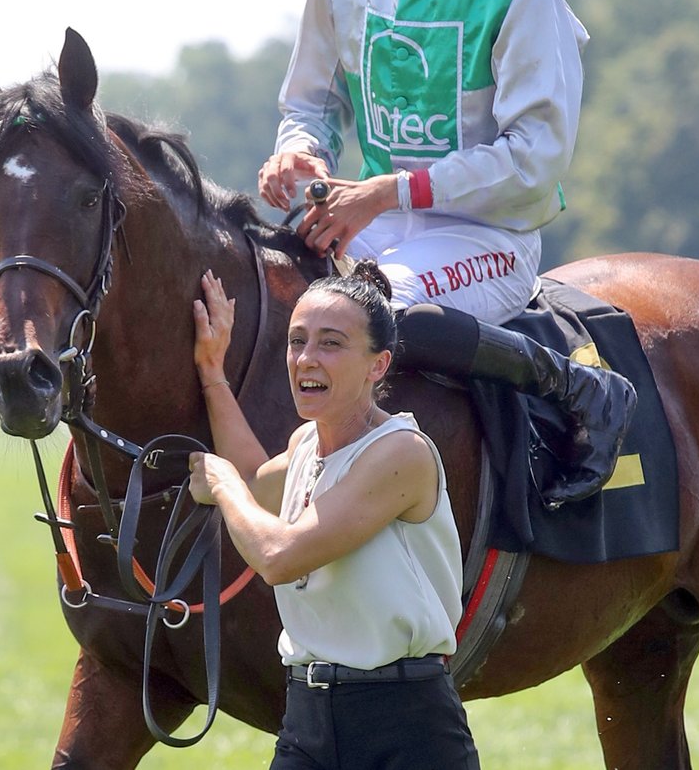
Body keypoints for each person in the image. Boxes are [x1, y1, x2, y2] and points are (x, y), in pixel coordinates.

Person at [257, 0, 635, 505]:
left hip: (485, 237)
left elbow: (537, 159)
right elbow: (307, 102)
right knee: (265, 293)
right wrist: (298, 152)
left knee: (363, 320)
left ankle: (582, 387)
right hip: (369, 221)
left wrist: (388, 190)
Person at [188, 265, 482, 770]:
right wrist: (213, 373)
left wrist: (221, 485)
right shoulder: (306, 443)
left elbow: (277, 555)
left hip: (407, 729)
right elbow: (256, 478)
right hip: (306, 720)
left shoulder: (401, 453)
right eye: (297, 340)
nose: (305, 358)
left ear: (378, 364)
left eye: (330, 344)